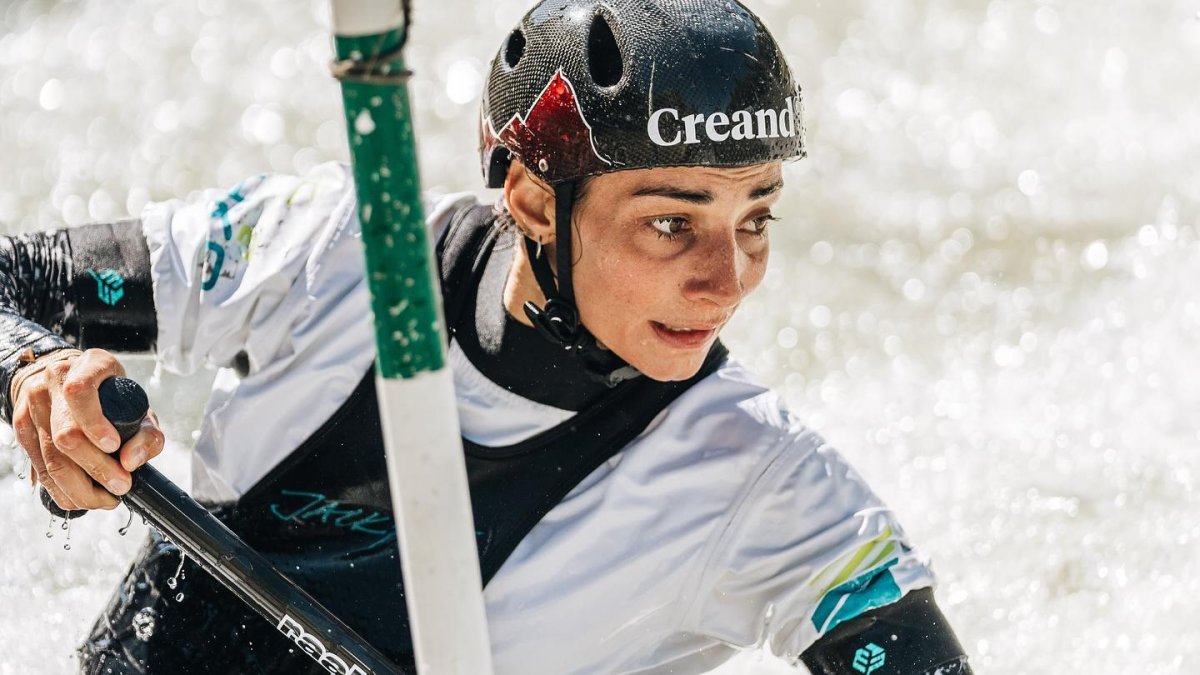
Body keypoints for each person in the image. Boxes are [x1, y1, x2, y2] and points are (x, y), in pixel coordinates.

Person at [0, 0, 973, 673]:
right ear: (532, 199)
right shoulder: (333, 248)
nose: (730, 279)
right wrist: (33, 372)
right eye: (671, 223)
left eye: (755, 218)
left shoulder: (767, 483)